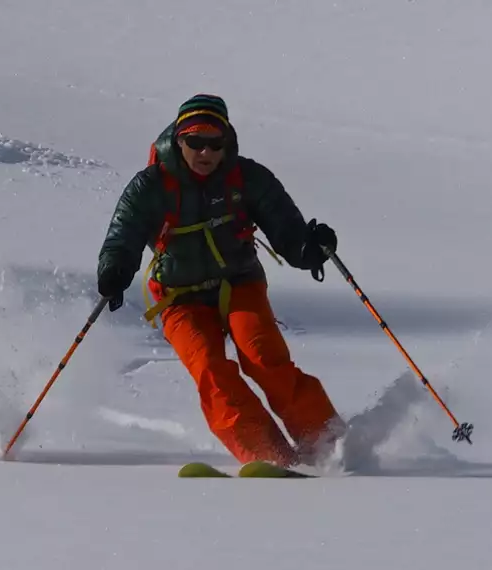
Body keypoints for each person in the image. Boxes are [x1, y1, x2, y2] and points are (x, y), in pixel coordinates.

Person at [96, 93, 345, 467]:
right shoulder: (150, 186)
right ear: (178, 140)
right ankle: (270, 456)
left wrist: (310, 249)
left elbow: (287, 230)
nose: (205, 152)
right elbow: (122, 236)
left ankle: (327, 442)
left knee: (265, 360)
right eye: (195, 141)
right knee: (212, 372)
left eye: (216, 143)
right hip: (179, 298)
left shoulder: (248, 178)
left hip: (239, 284)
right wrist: (114, 269)